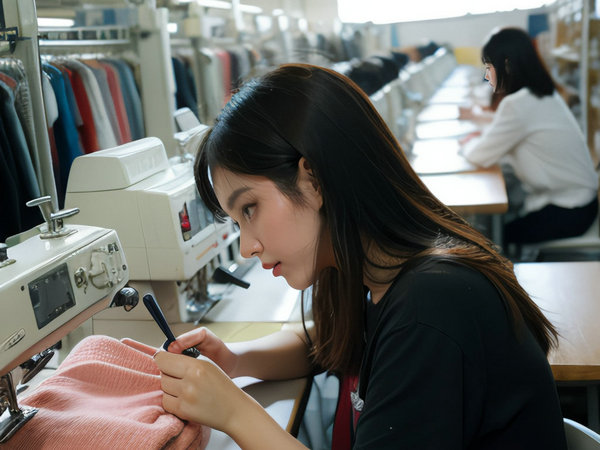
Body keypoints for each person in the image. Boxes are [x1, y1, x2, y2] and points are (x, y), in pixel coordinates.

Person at [154, 63, 568, 449]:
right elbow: (327, 340)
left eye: (249, 209)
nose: (246, 246)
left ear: (313, 180)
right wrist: (235, 359)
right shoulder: (375, 272)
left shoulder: (433, 305)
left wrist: (232, 411)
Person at [459, 27, 598, 246]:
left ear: (506, 65)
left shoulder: (518, 104)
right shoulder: (541, 94)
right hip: (582, 204)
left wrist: (465, 143)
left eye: (489, 67)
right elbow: (507, 131)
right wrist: (483, 135)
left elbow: (478, 155)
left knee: (488, 238)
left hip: (568, 210)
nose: (486, 76)